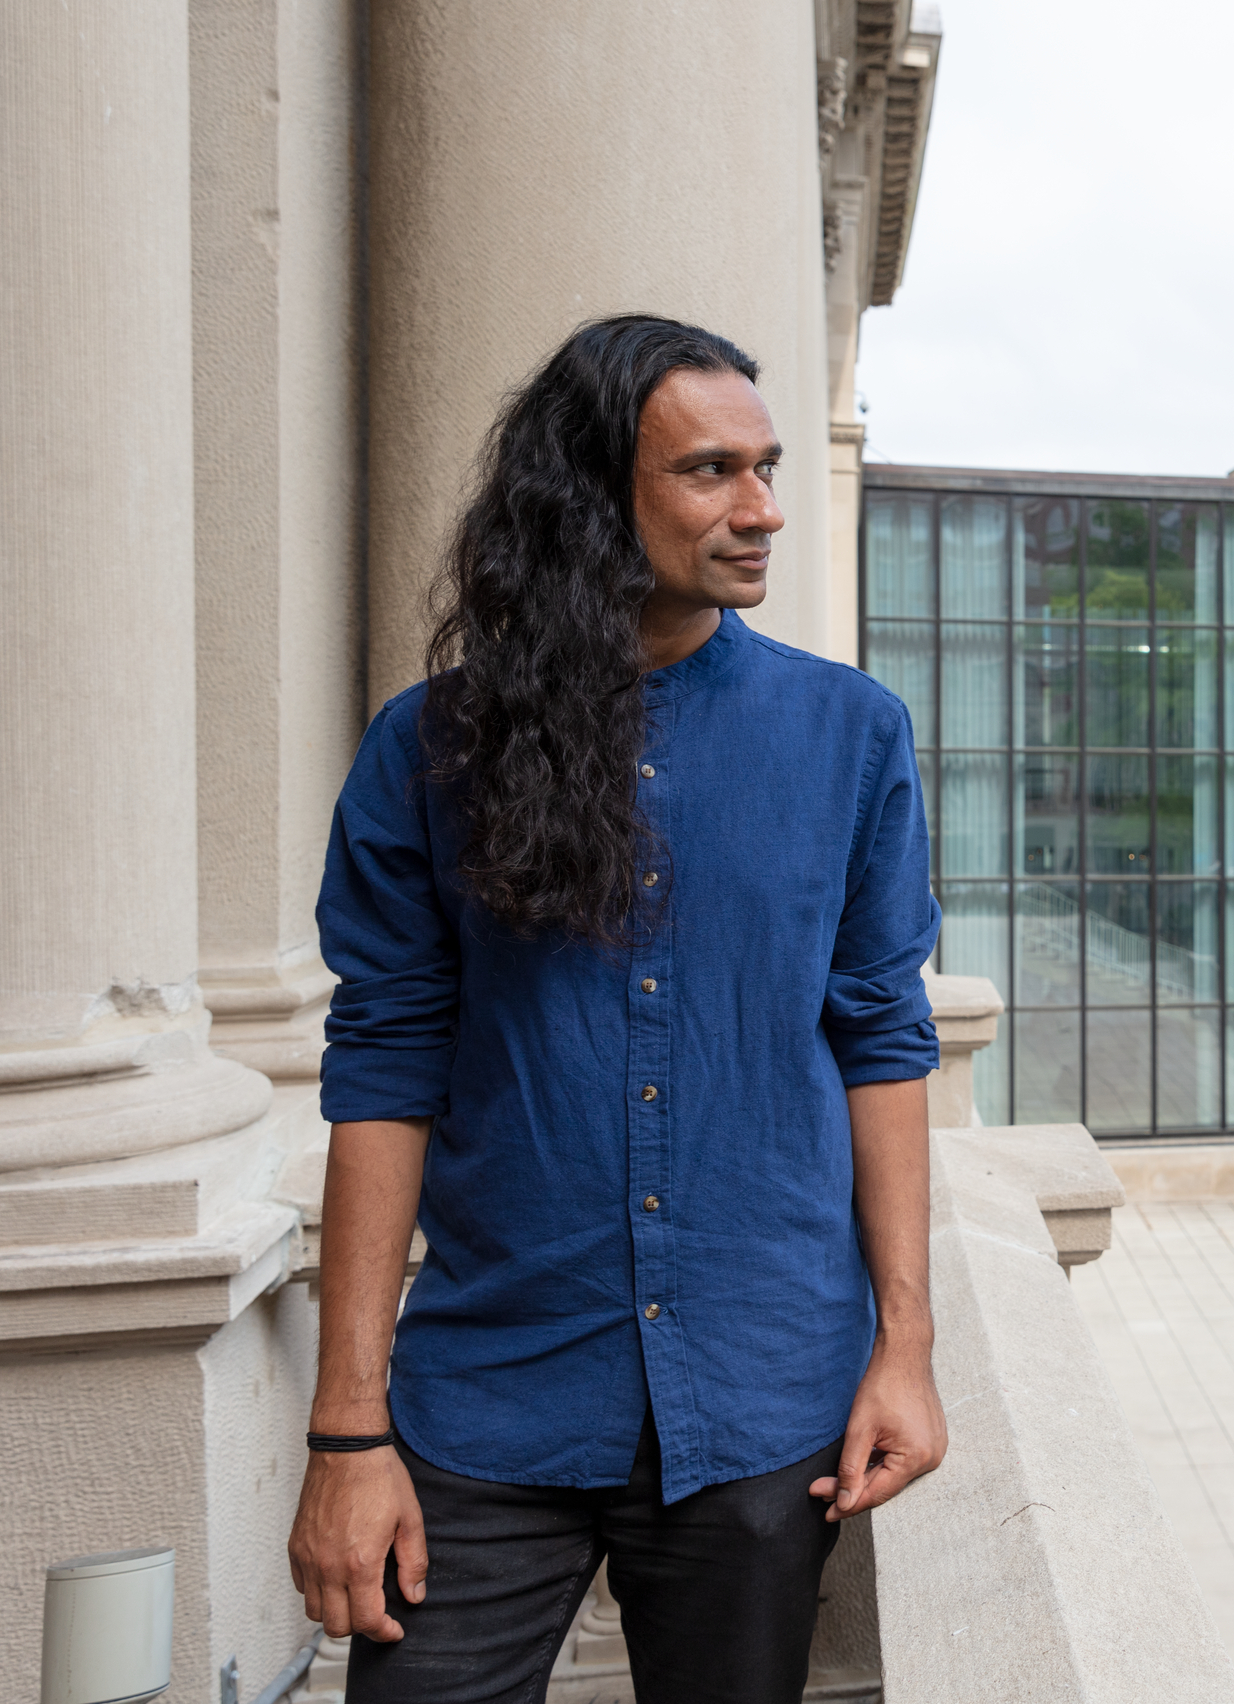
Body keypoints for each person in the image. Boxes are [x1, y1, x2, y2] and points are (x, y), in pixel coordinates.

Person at [287, 316, 947, 1703]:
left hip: (763, 1400)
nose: (762, 510)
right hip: (490, 1398)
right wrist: (347, 1434)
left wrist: (907, 1346)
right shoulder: (430, 749)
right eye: (711, 472)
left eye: (767, 468)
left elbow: (881, 1040)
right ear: (592, 493)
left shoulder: (851, 737)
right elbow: (385, 1069)